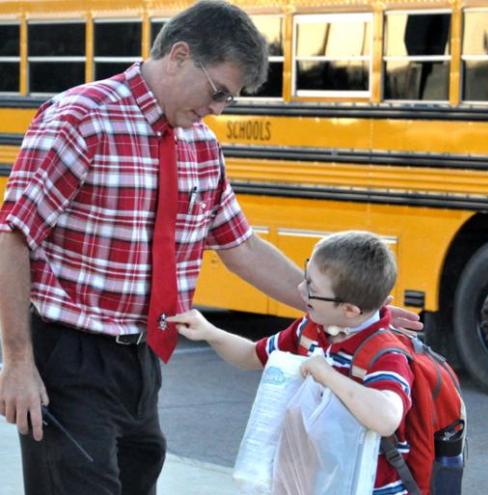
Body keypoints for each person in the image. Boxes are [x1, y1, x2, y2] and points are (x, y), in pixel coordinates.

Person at [0, 2, 419, 494]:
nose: (218, 109)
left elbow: (241, 246)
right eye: (218, 91)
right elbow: (13, 234)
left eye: (230, 101)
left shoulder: (200, 145)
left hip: (143, 364)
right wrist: (18, 361)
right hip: (68, 359)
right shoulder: (80, 119)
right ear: (179, 55)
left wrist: (347, 312)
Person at [170, 230, 414, 494]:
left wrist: (326, 374)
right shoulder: (311, 330)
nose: (300, 290)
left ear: (350, 310)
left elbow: (386, 418)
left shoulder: (384, 353)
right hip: (315, 483)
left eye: (312, 288)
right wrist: (210, 332)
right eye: (306, 277)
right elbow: (253, 355)